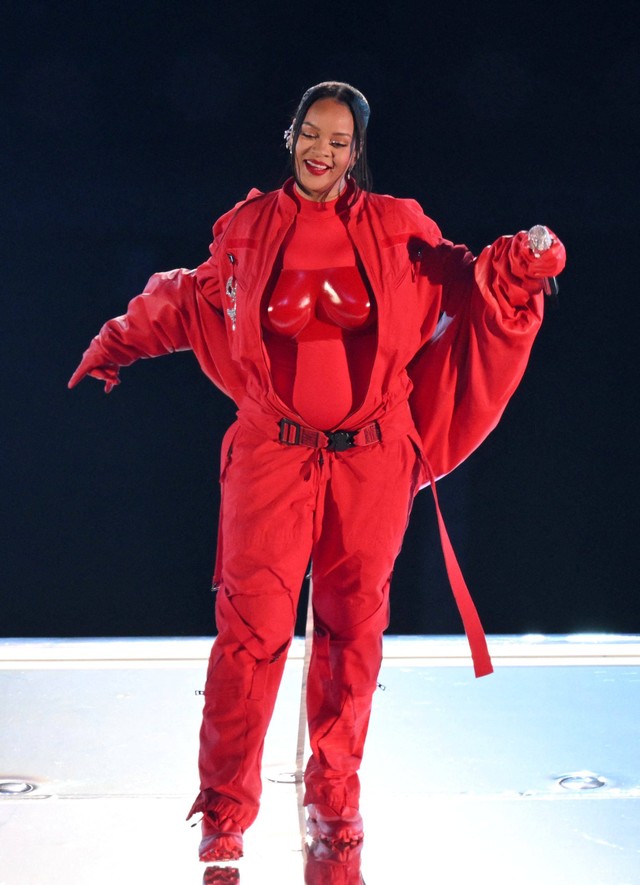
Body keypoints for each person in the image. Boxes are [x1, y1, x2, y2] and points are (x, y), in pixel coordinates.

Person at [68, 81, 566, 863]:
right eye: (311, 132)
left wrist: (522, 260)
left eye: (338, 139)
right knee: (250, 632)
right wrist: (114, 342)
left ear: (355, 152)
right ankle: (225, 806)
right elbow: (186, 300)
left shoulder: (398, 228)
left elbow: (467, 279)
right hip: (273, 456)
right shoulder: (248, 228)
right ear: (291, 135)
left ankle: (335, 790)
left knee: (351, 628)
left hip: (367, 459)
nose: (321, 150)